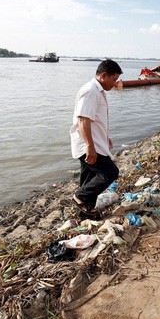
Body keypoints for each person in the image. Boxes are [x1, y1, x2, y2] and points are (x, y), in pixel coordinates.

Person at [70, 59, 122, 219]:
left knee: (89, 178)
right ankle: (81, 196)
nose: (115, 84)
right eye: (113, 79)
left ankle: (83, 214)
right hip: (88, 144)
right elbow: (83, 120)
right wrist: (90, 147)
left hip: (95, 142)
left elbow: (95, 120)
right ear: (104, 75)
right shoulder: (91, 91)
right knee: (110, 172)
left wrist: (105, 138)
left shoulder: (98, 91)